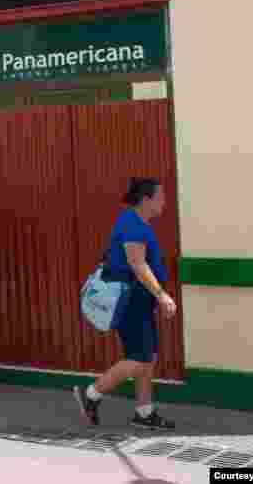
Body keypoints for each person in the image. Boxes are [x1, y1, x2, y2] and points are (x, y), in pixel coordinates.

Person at [74, 178, 177, 430]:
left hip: (140, 300)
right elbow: (137, 263)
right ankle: (91, 395)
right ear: (145, 199)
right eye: (160, 197)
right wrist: (162, 295)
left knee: (147, 356)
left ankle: (144, 412)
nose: (164, 202)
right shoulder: (133, 225)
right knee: (139, 357)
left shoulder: (134, 222)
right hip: (132, 300)